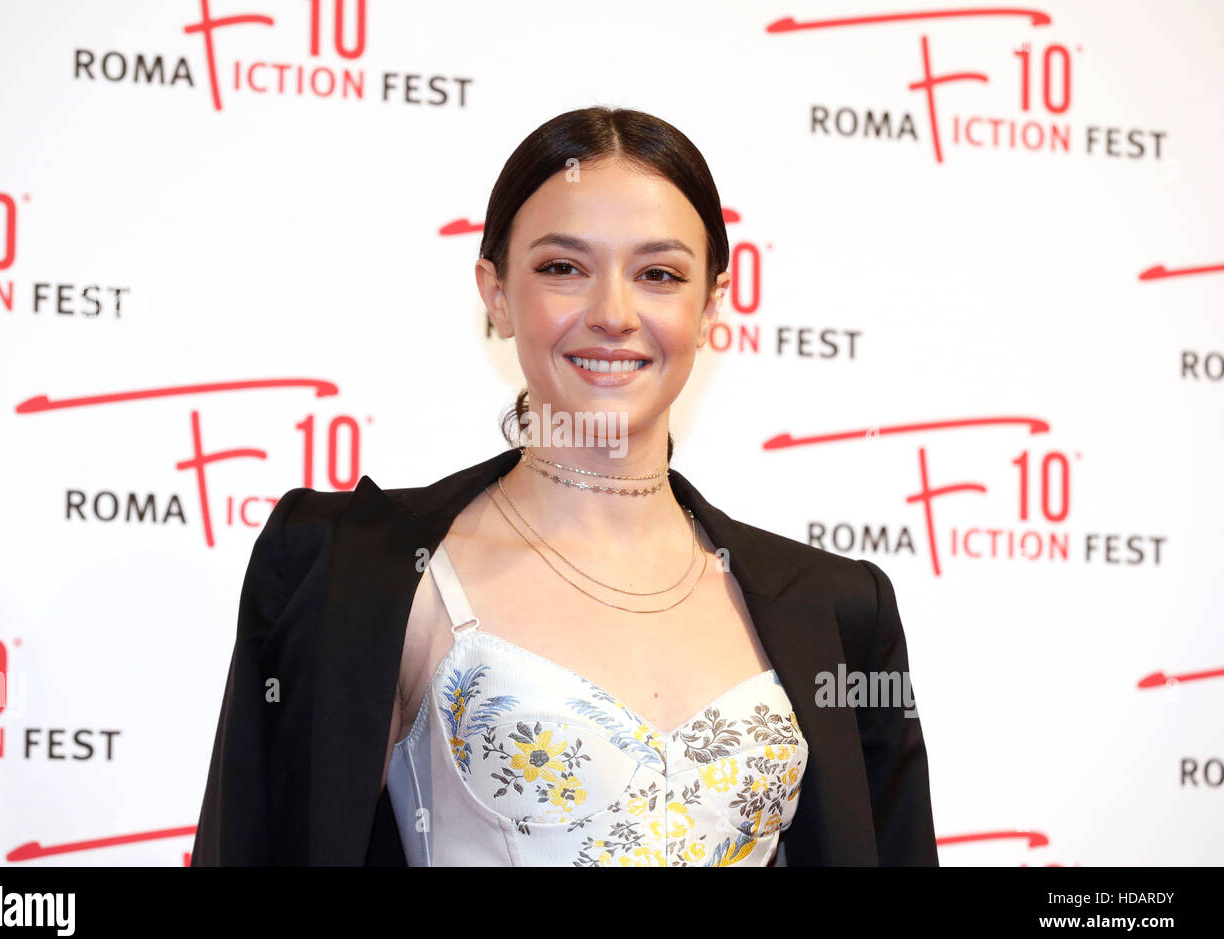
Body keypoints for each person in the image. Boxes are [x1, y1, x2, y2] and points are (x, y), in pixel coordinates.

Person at [190, 106, 938, 867]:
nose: (613, 314)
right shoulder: (362, 572)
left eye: (659, 275)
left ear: (711, 304)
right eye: (562, 268)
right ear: (497, 293)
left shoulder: (839, 610)